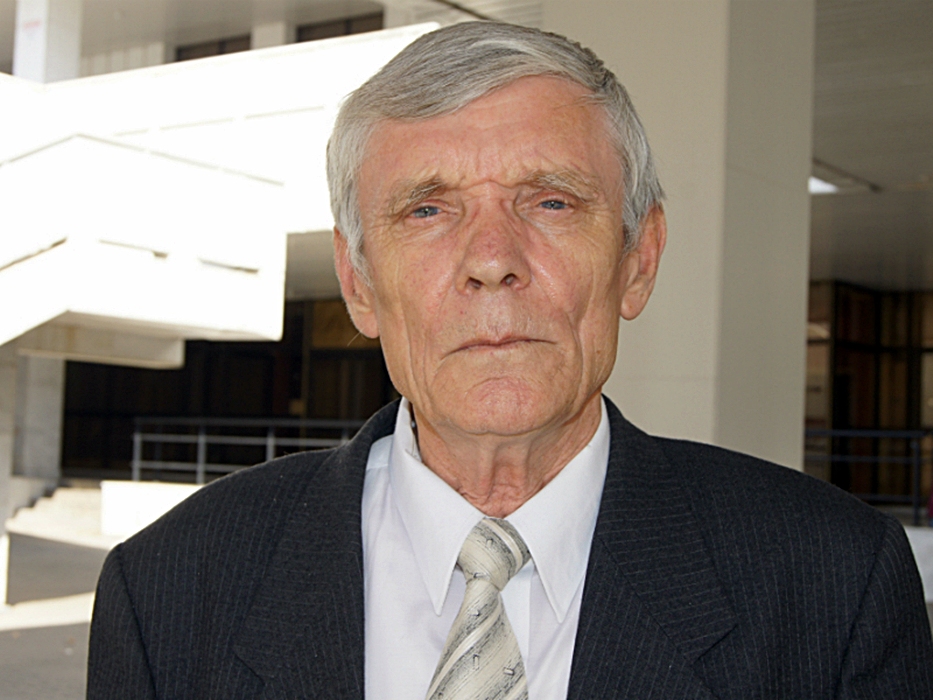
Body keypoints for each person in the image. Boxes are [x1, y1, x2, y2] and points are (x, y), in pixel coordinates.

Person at [87, 21, 933, 699]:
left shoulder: (833, 581)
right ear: (358, 283)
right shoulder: (168, 588)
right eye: (426, 211)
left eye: (551, 202)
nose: (491, 260)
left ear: (638, 260)